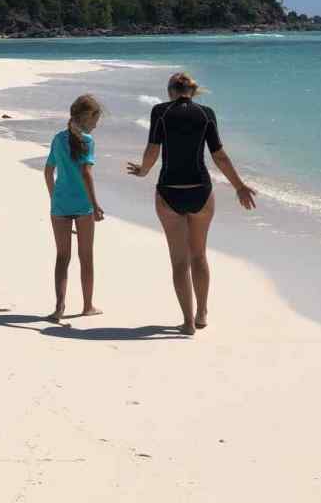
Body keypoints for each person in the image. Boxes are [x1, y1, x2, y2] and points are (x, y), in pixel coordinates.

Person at [127, 72, 256, 334]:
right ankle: (202, 313)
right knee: (199, 256)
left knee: (179, 262)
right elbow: (219, 155)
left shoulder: (160, 112)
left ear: (170, 91)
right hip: (200, 192)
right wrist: (239, 186)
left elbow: (153, 150)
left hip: (169, 192)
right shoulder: (206, 114)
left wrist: (143, 171)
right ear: (193, 92)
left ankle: (187, 322)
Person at [44, 94, 104, 322]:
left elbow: (48, 171)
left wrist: (54, 198)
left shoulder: (58, 139)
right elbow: (86, 173)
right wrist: (95, 205)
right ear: (87, 117)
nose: (96, 125)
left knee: (62, 257)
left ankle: (59, 306)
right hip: (83, 205)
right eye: (96, 120)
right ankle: (87, 306)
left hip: (60, 205)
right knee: (86, 257)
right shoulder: (87, 141)